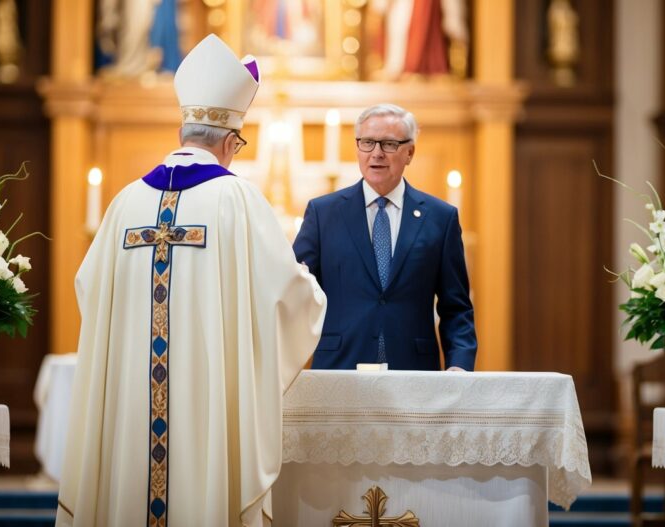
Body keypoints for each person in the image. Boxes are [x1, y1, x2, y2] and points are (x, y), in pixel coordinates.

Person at [56, 34, 326, 527]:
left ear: (185, 131)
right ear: (229, 140)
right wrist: (315, 291)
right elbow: (289, 297)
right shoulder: (237, 201)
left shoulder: (124, 203)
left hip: (131, 413)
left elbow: (89, 289)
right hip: (207, 404)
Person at [293, 103, 476, 371]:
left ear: (410, 152)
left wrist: (459, 365)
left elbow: (456, 307)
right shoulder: (323, 214)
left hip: (414, 371)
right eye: (367, 142)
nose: (376, 153)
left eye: (389, 144)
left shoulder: (440, 218)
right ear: (357, 148)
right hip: (340, 369)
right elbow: (295, 292)